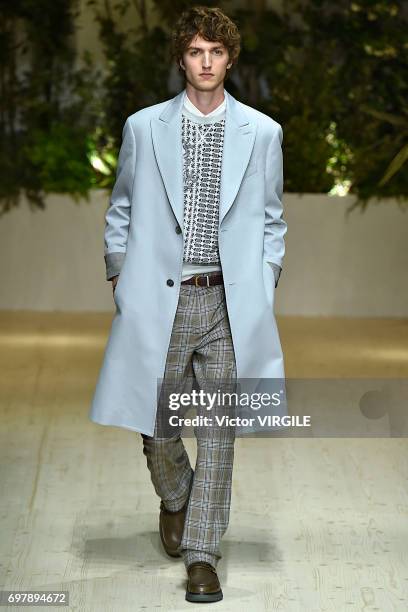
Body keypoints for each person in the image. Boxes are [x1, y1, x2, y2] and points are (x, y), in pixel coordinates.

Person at [89, 5, 287, 604]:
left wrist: (265, 278)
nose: (206, 63)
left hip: (227, 301)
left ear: (229, 58)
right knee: (157, 424)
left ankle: (203, 557)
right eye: (196, 52)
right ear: (182, 58)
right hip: (160, 298)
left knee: (220, 433)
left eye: (216, 52)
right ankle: (176, 496)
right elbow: (121, 206)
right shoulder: (144, 126)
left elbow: (272, 218)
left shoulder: (264, 132)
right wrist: (119, 273)